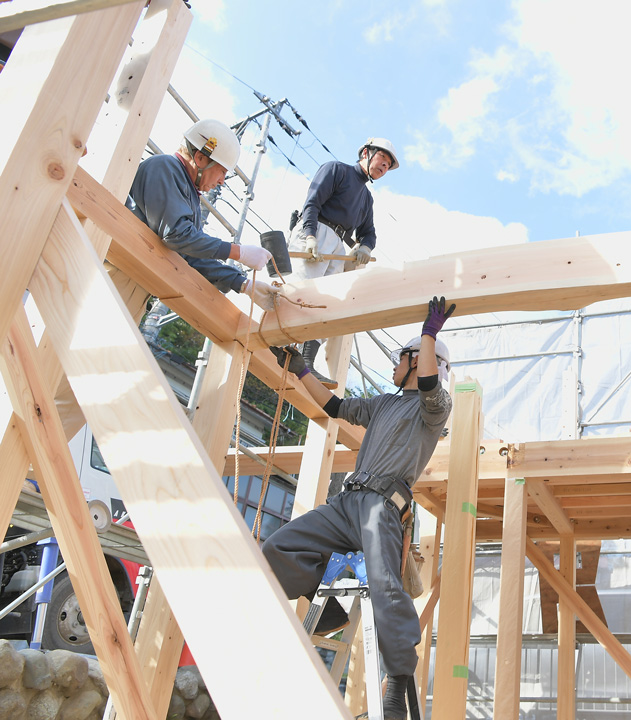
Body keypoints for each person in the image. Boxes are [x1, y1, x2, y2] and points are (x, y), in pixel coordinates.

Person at [263, 296, 455, 719]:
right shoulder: (383, 403)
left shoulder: (435, 408)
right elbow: (333, 407)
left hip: (381, 508)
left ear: (415, 360)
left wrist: (428, 335)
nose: (392, 365)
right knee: (277, 549)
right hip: (346, 503)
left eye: (399, 358)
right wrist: (301, 370)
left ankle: (398, 679)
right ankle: (329, 611)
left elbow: (427, 383)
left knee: (386, 586)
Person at [127, 118, 278, 310]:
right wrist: (238, 252)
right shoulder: (164, 167)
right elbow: (176, 235)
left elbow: (192, 257)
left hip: (137, 278)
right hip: (122, 267)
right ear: (200, 158)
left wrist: (244, 284)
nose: (222, 181)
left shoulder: (188, 194)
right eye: (222, 171)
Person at [286, 137, 401, 386]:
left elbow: (369, 233)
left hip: (337, 246)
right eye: (383, 158)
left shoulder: (366, 199)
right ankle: (280, 343)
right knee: (301, 291)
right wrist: (309, 235)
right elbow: (312, 203)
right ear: (366, 153)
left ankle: (306, 361)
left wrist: (365, 247)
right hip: (316, 231)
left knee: (327, 304)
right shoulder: (336, 170)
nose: (384, 166)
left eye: (388, 165)